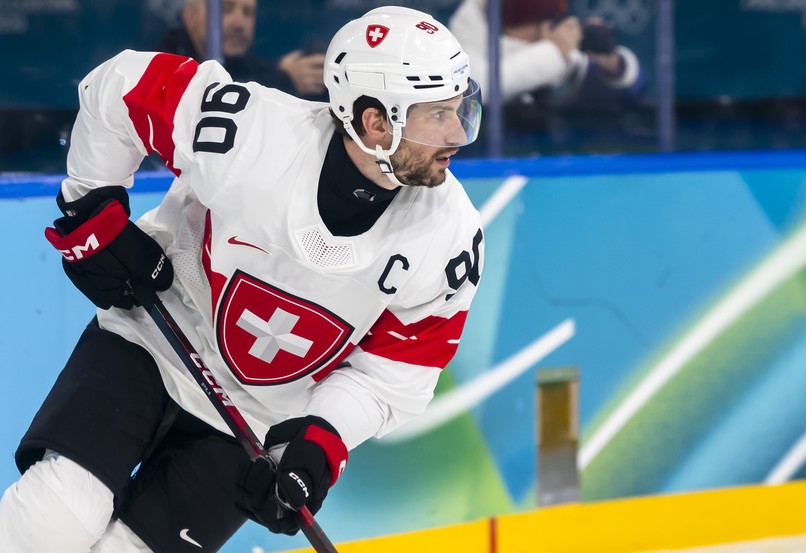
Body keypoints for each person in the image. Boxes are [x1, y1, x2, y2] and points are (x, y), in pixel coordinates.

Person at [0, 6, 484, 553]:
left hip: (254, 421)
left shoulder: (450, 240)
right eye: (437, 115)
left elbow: (397, 372)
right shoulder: (252, 135)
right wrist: (93, 207)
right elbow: (121, 88)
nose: (457, 134)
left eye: (460, 109)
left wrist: (322, 441)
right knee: (55, 515)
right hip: (152, 338)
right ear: (375, 122)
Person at [448, 0, 645, 107]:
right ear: (511, 30)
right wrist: (553, 53)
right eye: (545, 21)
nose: (554, 27)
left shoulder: (556, 44)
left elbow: (633, 91)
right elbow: (474, 90)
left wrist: (611, 63)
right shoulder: (468, 30)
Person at [157, 0, 327, 99]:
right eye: (226, 9)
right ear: (190, 16)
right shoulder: (164, 62)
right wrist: (285, 80)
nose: (239, 23)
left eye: (248, 12)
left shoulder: (242, 62)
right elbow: (202, 102)